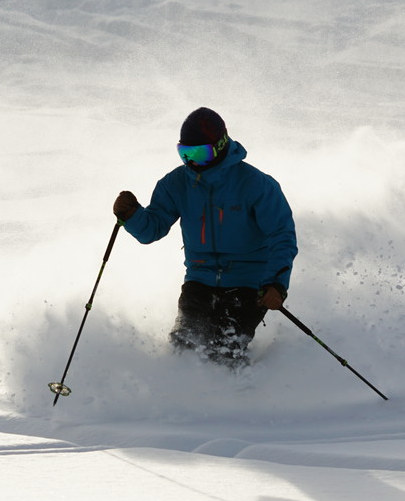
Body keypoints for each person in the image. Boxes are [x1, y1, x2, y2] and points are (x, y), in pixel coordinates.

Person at [113, 107, 297, 368]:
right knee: (185, 347)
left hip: (249, 283)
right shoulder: (175, 183)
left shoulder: (256, 185)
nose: (192, 161)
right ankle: (184, 402)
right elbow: (151, 230)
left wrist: (276, 284)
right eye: (185, 153)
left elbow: (282, 236)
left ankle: (241, 399)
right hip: (199, 279)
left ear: (220, 145)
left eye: (200, 153)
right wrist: (131, 215)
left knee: (223, 352)